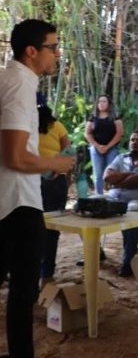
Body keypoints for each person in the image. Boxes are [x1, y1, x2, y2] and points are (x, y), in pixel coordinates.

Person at [0, 19, 77, 358]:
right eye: (53, 47)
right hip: (18, 201)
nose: (57, 54)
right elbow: (14, 156)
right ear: (32, 51)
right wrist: (54, 164)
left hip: (7, 200)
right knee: (23, 293)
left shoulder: (13, 80)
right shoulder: (18, 84)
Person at [103, 131, 138, 277]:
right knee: (89, 205)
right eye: (132, 140)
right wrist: (130, 176)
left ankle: (128, 262)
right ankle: (98, 253)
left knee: (133, 210)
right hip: (115, 197)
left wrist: (118, 182)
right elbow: (107, 176)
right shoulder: (121, 157)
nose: (135, 142)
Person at [38, 104, 71, 284]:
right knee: (51, 229)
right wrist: (58, 167)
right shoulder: (56, 125)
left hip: (30, 179)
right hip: (54, 180)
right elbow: (68, 151)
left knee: (27, 228)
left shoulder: (22, 124)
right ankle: (46, 273)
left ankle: (22, 272)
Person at [85, 95, 123, 194]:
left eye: (104, 101)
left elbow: (119, 133)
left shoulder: (115, 117)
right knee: (98, 174)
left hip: (112, 148)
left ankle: (113, 195)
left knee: (111, 173)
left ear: (109, 103)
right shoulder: (93, 117)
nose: (101, 104)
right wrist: (98, 146)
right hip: (96, 148)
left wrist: (107, 146)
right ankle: (99, 195)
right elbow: (87, 133)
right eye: (99, 102)